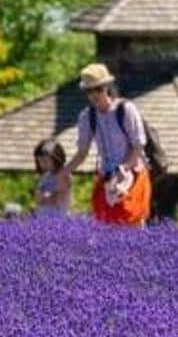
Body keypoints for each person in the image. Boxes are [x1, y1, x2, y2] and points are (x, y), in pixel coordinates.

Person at [58, 63, 152, 227]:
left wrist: (124, 168)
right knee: (105, 225)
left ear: (107, 86)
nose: (94, 94)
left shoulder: (126, 109)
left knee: (132, 222)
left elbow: (139, 145)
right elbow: (82, 152)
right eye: (89, 91)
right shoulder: (87, 117)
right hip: (107, 175)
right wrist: (65, 171)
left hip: (132, 174)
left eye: (98, 89)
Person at [33, 139, 71, 215]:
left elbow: (58, 199)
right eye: (39, 161)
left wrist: (44, 197)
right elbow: (38, 197)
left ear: (56, 159)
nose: (42, 165)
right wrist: (43, 196)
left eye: (45, 161)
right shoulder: (45, 176)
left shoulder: (63, 175)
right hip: (43, 216)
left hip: (57, 219)